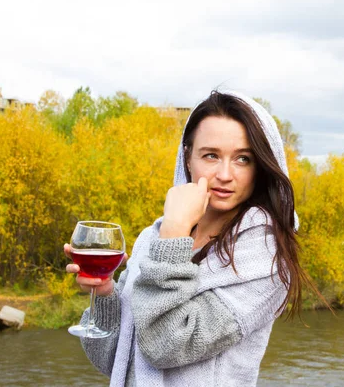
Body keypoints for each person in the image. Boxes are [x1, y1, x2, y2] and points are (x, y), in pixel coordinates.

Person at [65, 90, 310, 387]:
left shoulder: (265, 257)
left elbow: (165, 346)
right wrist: (105, 294)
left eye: (243, 159)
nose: (224, 174)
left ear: (259, 168)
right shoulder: (153, 237)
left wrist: (173, 235)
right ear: (188, 157)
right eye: (211, 155)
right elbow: (115, 361)